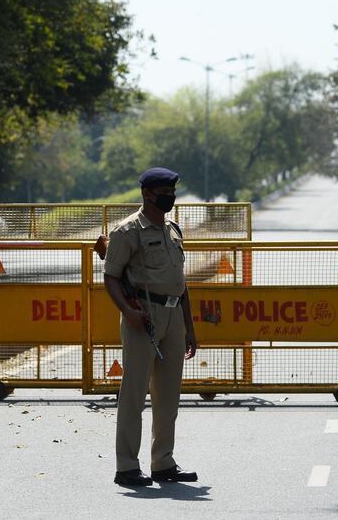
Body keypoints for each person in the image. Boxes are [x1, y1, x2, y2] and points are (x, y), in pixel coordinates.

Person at [103, 167, 199, 487]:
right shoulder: (127, 231)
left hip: (172, 317)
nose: (169, 197)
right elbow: (111, 277)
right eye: (163, 192)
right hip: (142, 316)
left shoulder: (173, 229)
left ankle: (163, 462)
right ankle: (127, 466)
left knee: (168, 395)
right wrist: (128, 311)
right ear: (147, 194)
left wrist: (189, 326)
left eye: (172, 191)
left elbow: (180, 283)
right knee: (134, 394)